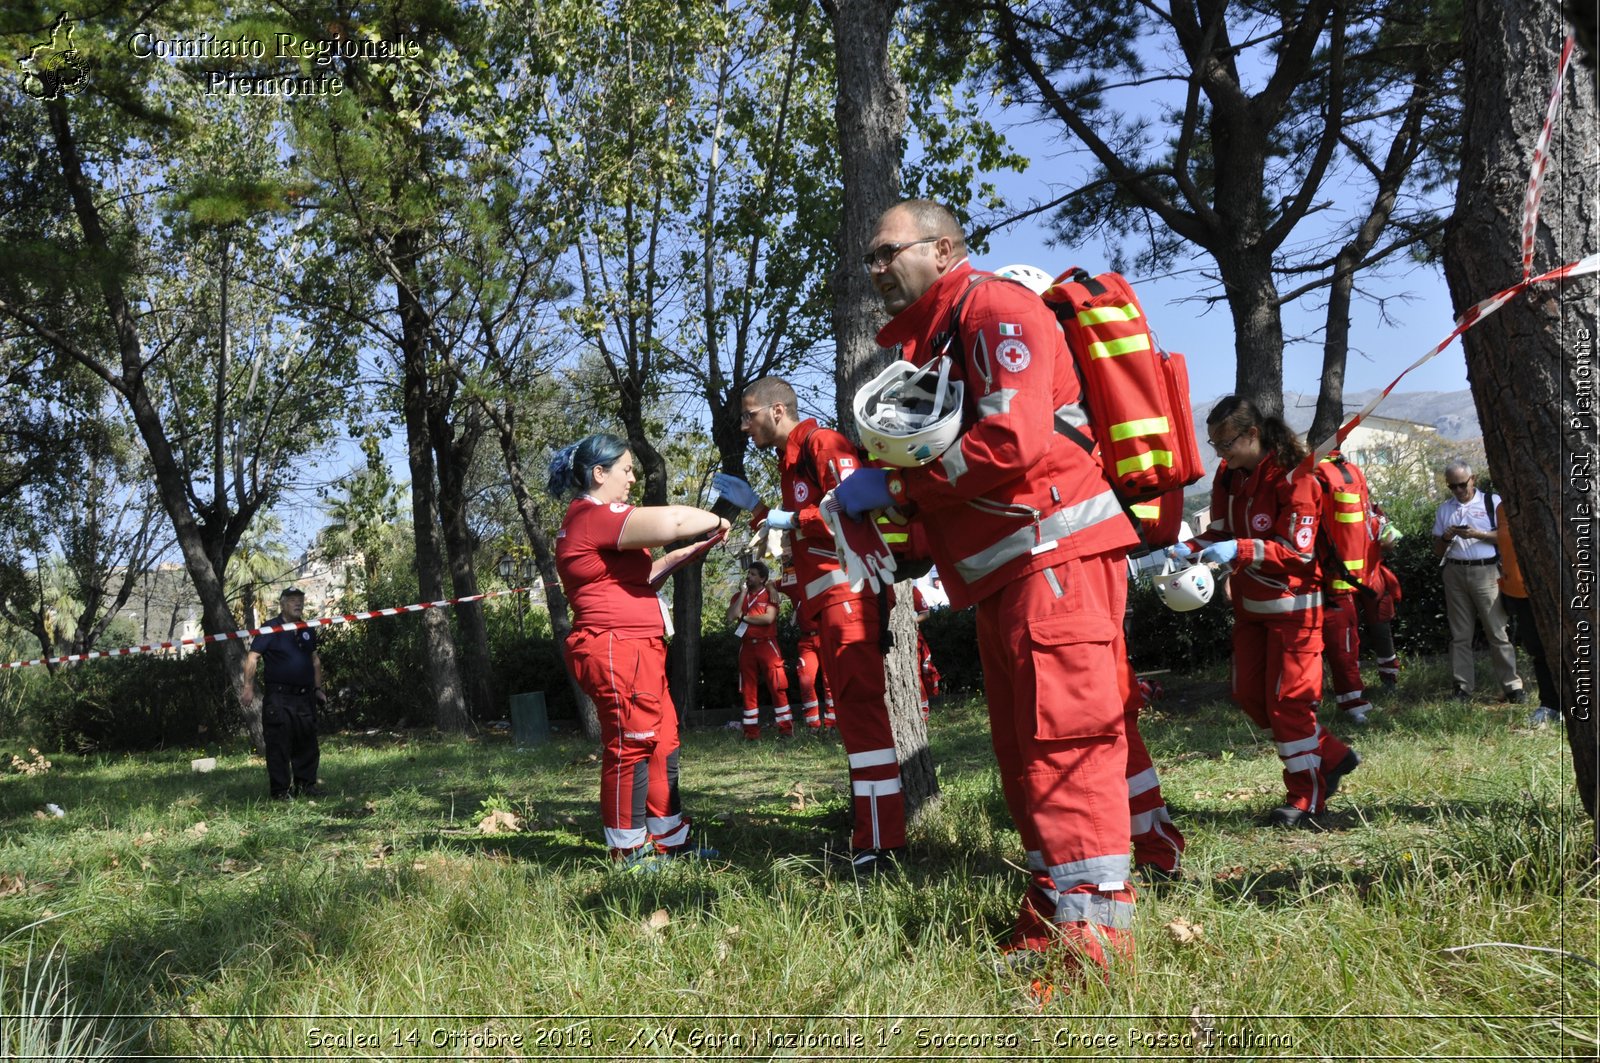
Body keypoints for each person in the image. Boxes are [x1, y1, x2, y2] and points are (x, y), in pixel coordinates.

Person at [832, 199, 1143, 974]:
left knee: (1065, 742)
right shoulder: (942, 333)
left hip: (1055, 558)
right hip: (1013, 570)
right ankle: (1053, 913)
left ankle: (1097, 943)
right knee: (1023, 748)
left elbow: (1011, 439)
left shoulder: (995, 307)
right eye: (869, 259)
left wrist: (901, 491)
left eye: (886, 252)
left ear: (942, 249)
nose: (875, 271)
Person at [715, 377, 908, 875]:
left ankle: (881, 843)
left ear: (777, 410)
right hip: (828, 606)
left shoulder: (824, 444)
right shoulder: (791, 460)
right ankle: (871, 832)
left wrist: (789, 519)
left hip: (849, 597)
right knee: (854, 719)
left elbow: (852, 511)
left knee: (863, 716)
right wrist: (760, 510)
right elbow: (803, 526)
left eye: (748, 414)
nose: (744, 425)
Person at [1173, 396, 1360, 828]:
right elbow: (1220, 531)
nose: (1219, 454)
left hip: (1295, 611)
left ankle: (1307, 797)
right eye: (1214, 444)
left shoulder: (1296, 478)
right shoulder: (1229, 475)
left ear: (1252, 434)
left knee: (1289, 705)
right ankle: (1330, 755)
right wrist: (1189, 548)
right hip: (1250, 609)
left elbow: (1298, 551)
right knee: (1251, 697)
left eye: (1225, 444)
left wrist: (1237, 549)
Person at [550, 433, 727, 866]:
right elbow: (673, 521)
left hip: (639, 645)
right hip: (615, 646)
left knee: (662, 740)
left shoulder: (598, 523)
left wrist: (697, 547)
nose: (631, 479)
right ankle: (628, 851)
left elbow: (645, 575)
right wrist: (715, 519)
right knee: (633, 742)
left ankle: (669, 841)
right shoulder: (593, 515)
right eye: (626, 470)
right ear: (599, 474)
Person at [1430, 462, 1524, 703]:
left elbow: (1508, 537)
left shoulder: (1493, 502)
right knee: (1460, 635)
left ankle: (1512, 687)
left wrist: (1477, 534)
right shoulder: (1445, 509)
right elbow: (1437, 551)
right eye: (1453, 486)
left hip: (1487, 571)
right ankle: (1462, 688)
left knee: (1497, 631)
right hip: (1455, 572)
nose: (1459, 490)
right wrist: (1446, 537)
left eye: (1462, 484)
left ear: (1474, 479)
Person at [241, 587, 326, 800]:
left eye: (301, 600)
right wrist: (248, 687)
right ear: (282, 604)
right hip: (280, 698)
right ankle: (280, 791)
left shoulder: (307, 628)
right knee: (279, 744)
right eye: (293, 600)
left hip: (305, 697)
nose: (298, 604)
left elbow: (315, 660)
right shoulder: (270, 629)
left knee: (307, 742)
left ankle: (306, 786)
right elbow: (252, 658)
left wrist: (318, 689)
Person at [1313, 451, 1377, 726]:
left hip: (1315, 579)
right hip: (1342, 581)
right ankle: (1353, 704)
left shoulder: (1311, 478)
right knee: (1345, 648)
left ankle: (1306, 708)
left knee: (1306, 650)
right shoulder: (1348, 474)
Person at [1495, 498, 1561, 726]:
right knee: (1538, 650)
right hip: (1519, 592)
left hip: (1552, 588)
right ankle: (1550, 704)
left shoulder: (1542, 498)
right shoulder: (1501, 509)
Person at [726, 560, 794, 738]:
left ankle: (786, 730)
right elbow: (731, 617)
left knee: (777, 686)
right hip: (747, 647)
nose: (748, 577)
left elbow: (768, 619)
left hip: (767, 644)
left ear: (763, 578)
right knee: (748, 690)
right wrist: (742, 594)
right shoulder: (740, 596)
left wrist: (745, 617)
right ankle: (751, 733)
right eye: (748, 573)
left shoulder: (770, 595)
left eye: (753, 574)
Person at [778, 556, 832, 730]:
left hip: (825, 637)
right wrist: (772, 589)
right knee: (805, 680)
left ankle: (832, 723)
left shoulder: (821, 576)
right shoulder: (792, 583)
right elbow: (771, 583)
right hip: (806, 640)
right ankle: (813, 725)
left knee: (829, 681)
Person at [1362, 501, 1405, 690]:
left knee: (1381, 628)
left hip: (1374, 576)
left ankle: (1389, 679)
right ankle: (1348, 685)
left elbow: (1390, 542)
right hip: (1344, 577)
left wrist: (1387, 537)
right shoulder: (1334, 505)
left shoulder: (1375, 511)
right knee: (1347, 632)